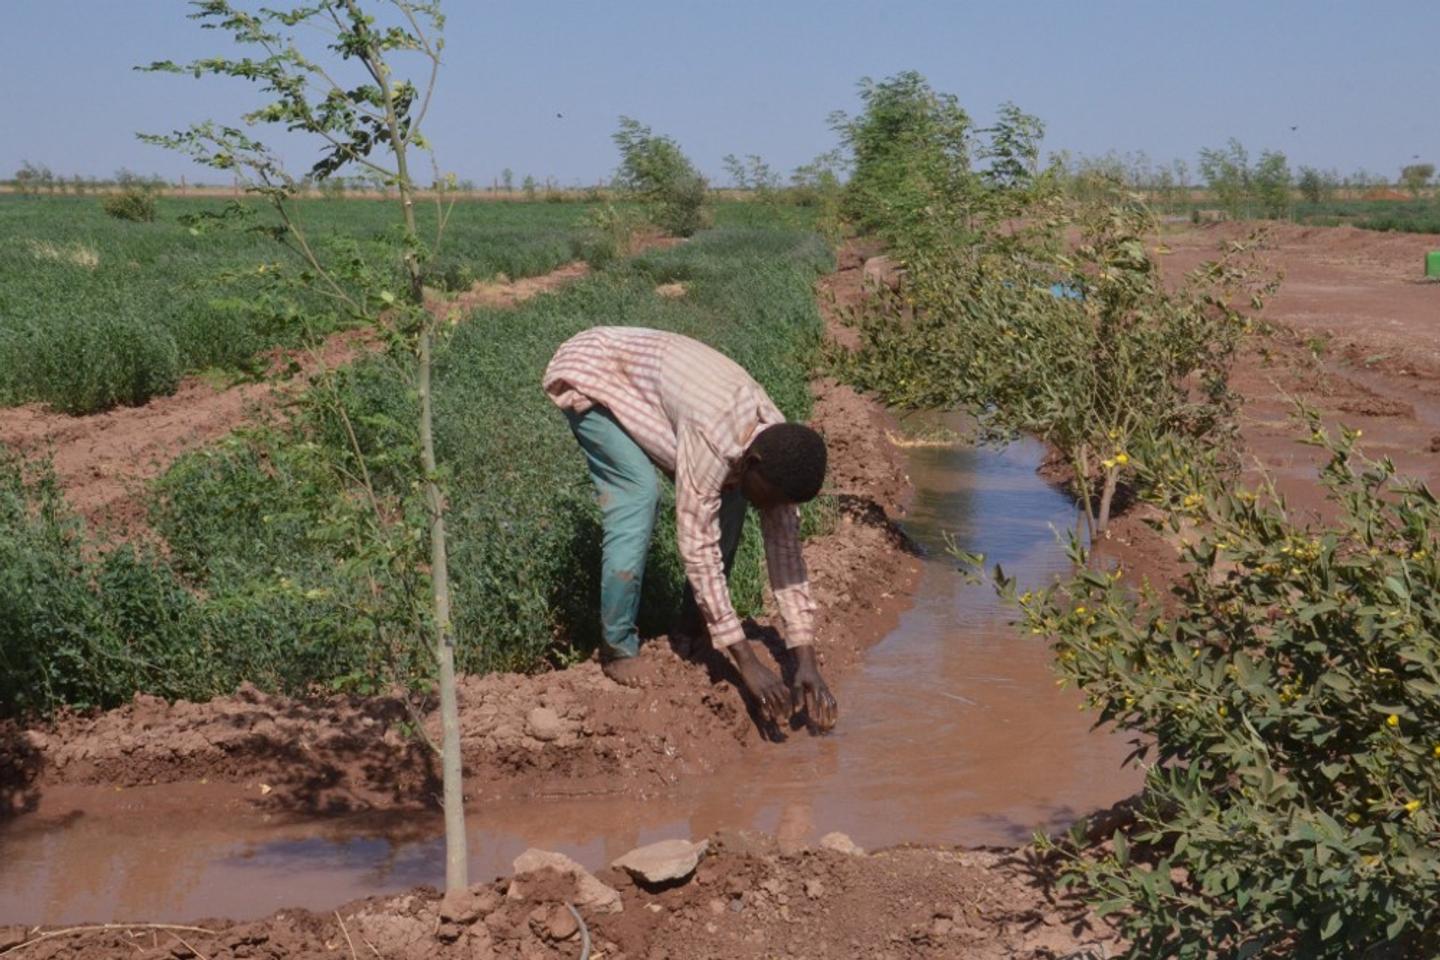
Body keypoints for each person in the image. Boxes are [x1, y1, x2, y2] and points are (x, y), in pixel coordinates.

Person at [543, 326, 838, 730]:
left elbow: (787, 554)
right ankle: (617, 648)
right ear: (751, 462)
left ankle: (691, 625)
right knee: (638, 494)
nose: (769, 510)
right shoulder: (716, 440)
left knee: (733, 497)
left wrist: (806, 660)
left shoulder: (779, 454)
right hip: (596, 374)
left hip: (652, 387)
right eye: (769, 499)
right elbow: (697, 547)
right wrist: (746, 661)